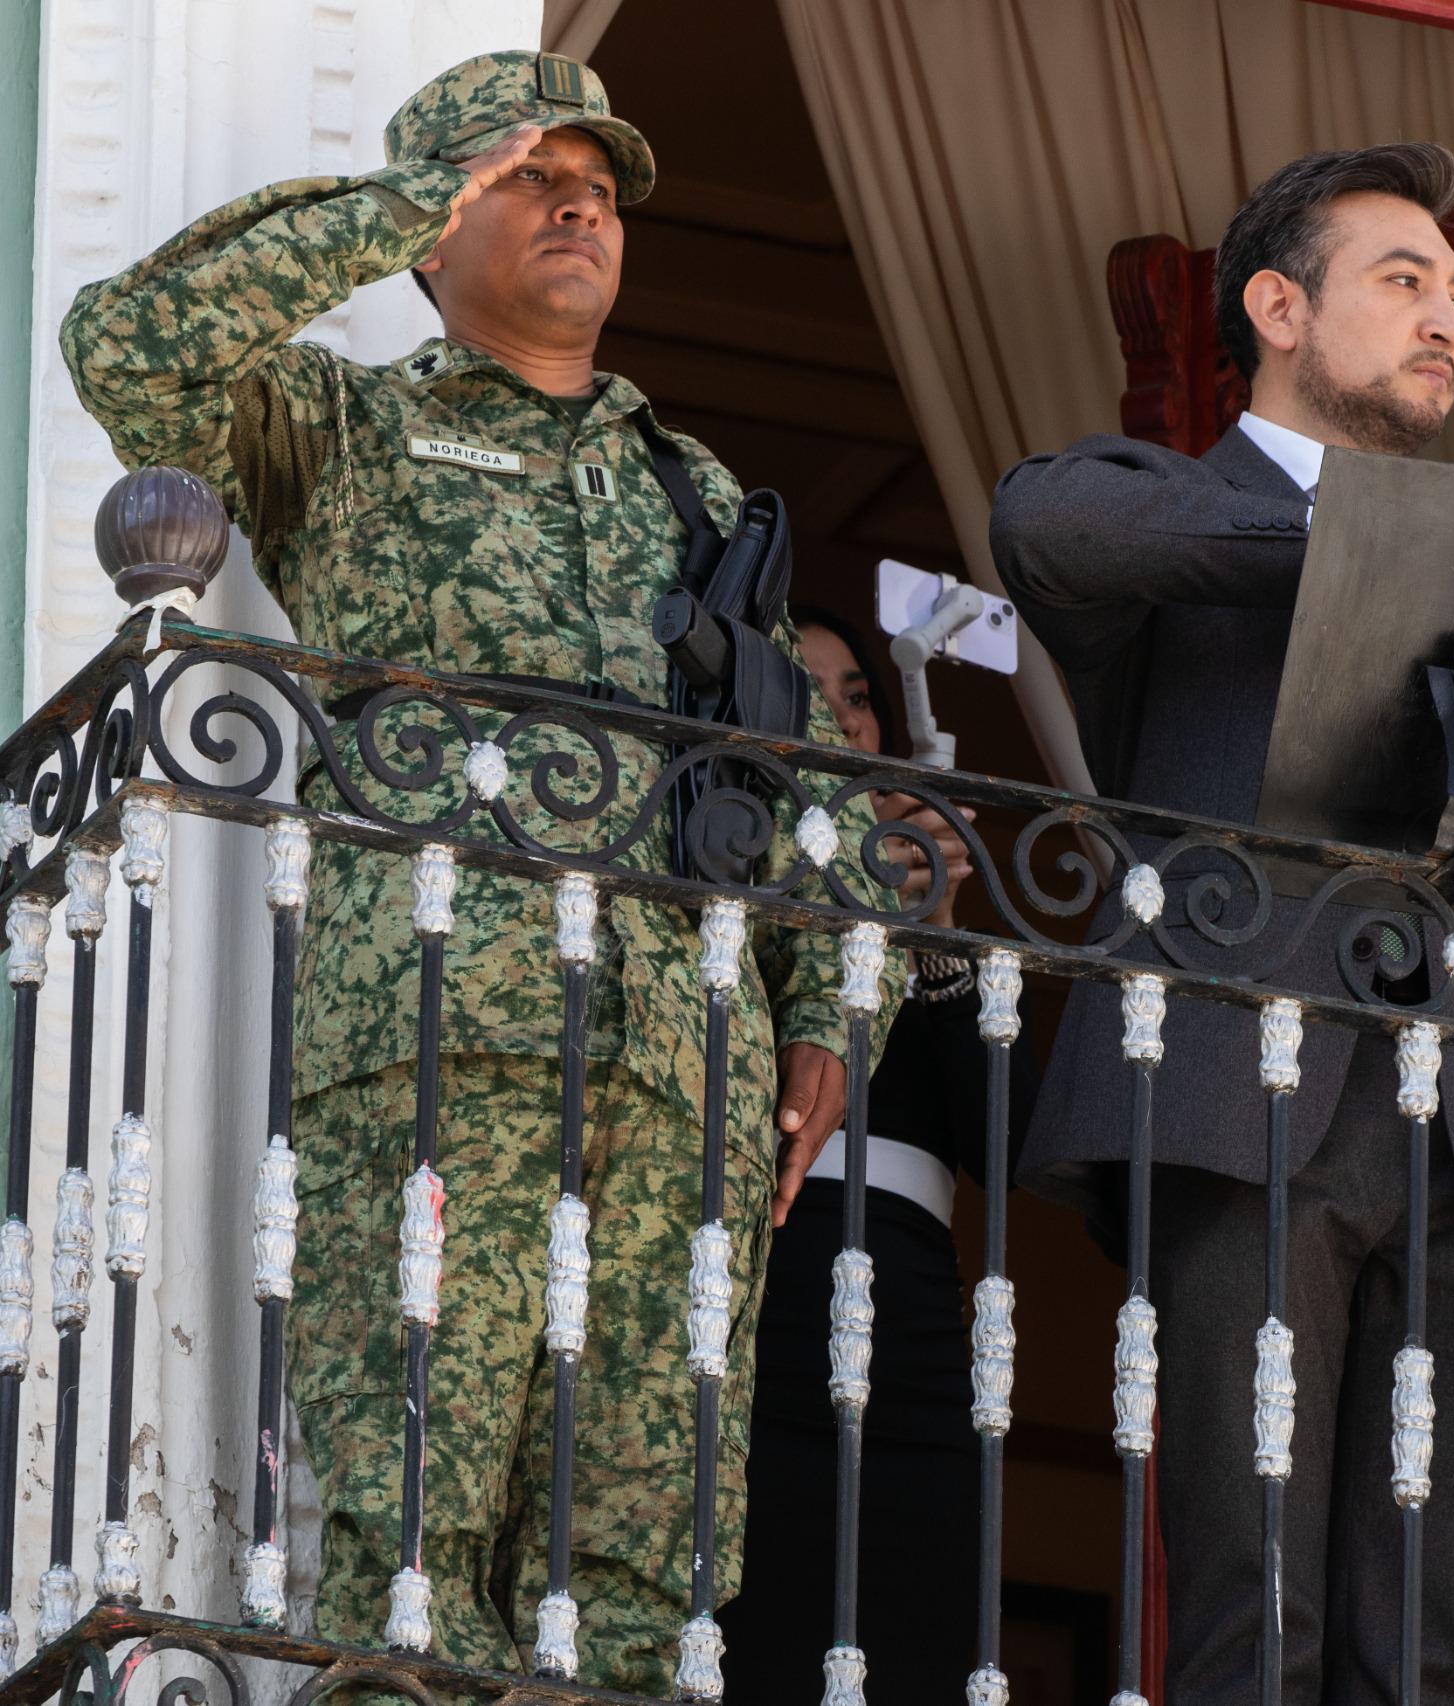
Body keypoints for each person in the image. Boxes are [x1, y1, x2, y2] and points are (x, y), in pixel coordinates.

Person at [60, 51, 900, 1695]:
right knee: (414, 1548)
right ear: (442, 222)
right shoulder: (346, 425)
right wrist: (390, 207)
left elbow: (790, 763)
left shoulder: (692, 486)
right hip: (444, 1033)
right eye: (528, 177)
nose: (579, 205)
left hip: (685, 1068)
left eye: (596, 187)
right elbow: (130, 348)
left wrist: (827, 1011)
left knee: (647, 1567)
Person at [991, 144, 1454, 1706]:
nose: (1449, 322)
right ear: (1278, 309)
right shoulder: (1167, 509)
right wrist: (1371, 554)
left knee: (1422, 1644)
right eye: (1403, 281)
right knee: (1257, 1613)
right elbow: (1046, 524)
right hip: (1247, 1107)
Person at [720, 607, 1022, 1703]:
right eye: (813, 693)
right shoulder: (723, 861)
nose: (845, 719)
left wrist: (934, 927)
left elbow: (1007, 1143)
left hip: (913, 1331)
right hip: (761, 1294)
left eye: (858, 695)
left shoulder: (924, 893)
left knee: (916, 1628)